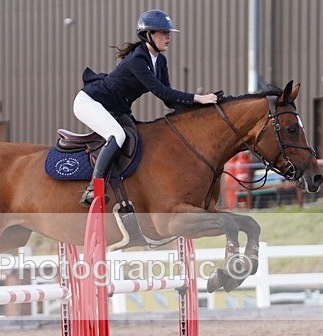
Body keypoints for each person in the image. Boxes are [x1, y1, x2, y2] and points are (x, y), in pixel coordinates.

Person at [74, 9, 218, 206]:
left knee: (138, 138)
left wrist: (199, 110)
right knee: (117, 135)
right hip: (90, 102)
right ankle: (93, 188)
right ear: (148, 35)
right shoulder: (138, 60)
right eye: (163, 32)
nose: (168, 37)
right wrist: (198, 98)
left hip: (116, 109)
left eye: (168, 33)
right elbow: (161, 91)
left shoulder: (160, 61)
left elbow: (169, 100)